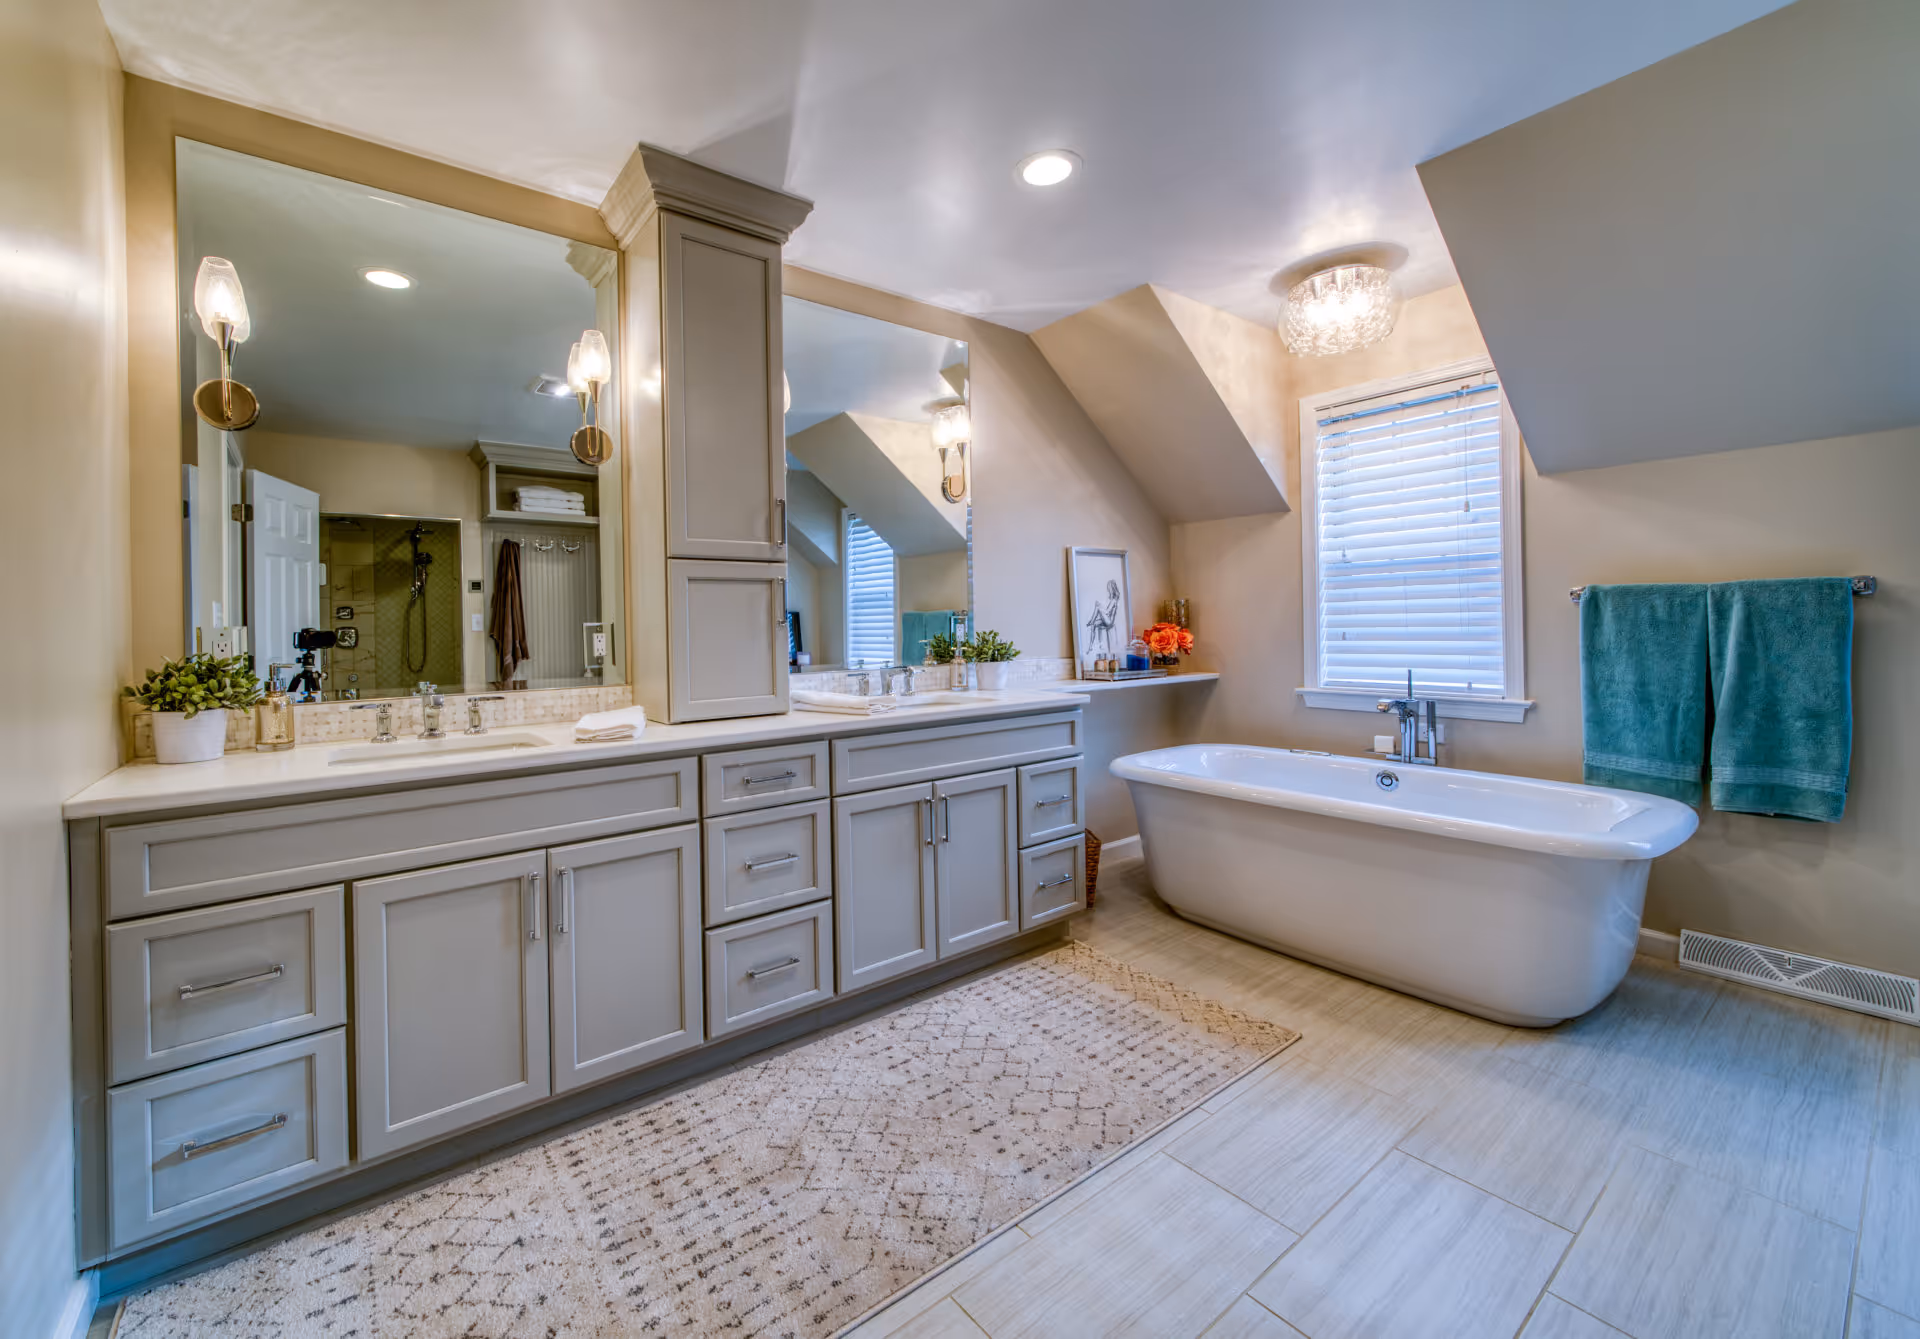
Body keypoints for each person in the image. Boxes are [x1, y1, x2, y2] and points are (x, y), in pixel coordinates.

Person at [1084, 578, 1121, 661]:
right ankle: (1090, 647)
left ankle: (1091, 621)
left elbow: (1107, 612)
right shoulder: (1111, 599)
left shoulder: (1114, 600)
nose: (1108, 590)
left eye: (1109, 588)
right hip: (1106, 620)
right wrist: (1101, 612)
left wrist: (1101, 608)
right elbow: (1106, 613)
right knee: (1094, 625)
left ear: (1112, 589)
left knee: (1097, 606)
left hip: (1109, 622)